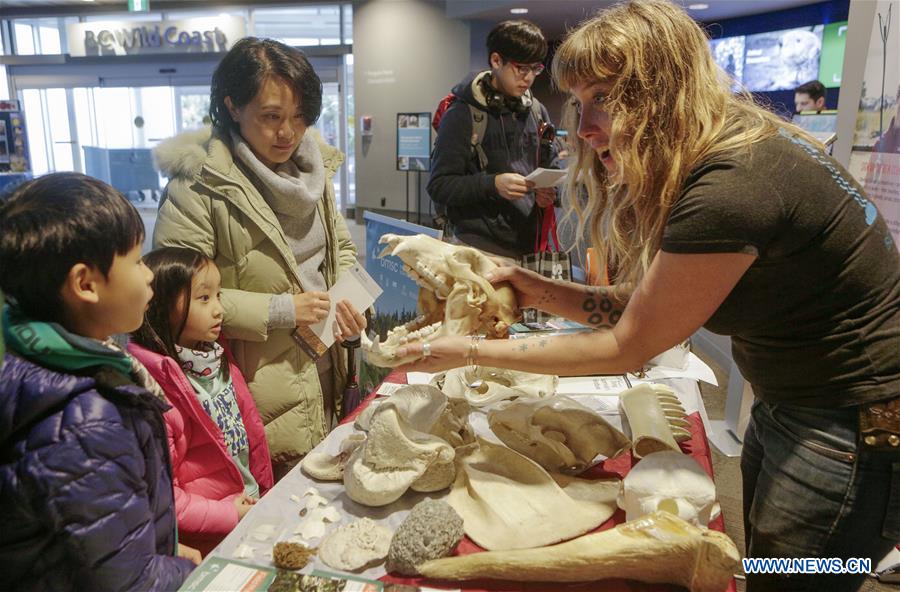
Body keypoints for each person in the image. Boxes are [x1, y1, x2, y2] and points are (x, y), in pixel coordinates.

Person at [401, 2, 900, 590]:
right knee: (766, 555)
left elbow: (627, 345)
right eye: (579, 105)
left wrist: (466, 352)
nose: (584, 128)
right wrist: (530, 286)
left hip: (853, 421)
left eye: (604, 99)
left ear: (664, 91)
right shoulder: (736, 148)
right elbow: (642, 304)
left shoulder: (733, 184)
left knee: (799, 574)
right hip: (800, 400)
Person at [153, 37, 366, 477]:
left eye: (300, 116)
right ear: (232, 106)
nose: (288, 132)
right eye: (271, 117)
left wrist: (349, 296)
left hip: (328, 362)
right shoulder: (199, 186)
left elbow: (342, 248)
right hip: (256, 383)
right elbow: (174, 295)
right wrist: (284, 309)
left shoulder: (315, 169)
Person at [0, 173, 198, 590]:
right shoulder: (85, 422)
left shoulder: (41, 360)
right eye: (138, 260)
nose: (148, 276)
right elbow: (130, 583)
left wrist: (162, 549)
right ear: (85, 285)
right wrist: (194, 574)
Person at [129, 247, 275, 555]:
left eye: (218, 296)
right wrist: (230, 514)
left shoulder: (217, 358)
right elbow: (165, 493)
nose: (219, 309)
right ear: (162, 304)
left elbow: (251, 439)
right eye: (204, 298)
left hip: (254, 510)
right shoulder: (157, 388)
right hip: (210, 540)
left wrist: (263, 492)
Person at [427, 19, 561, 257]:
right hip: (478, 250)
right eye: (521, 68)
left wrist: (549, 193)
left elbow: (550, 162)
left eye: (536, 69)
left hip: (530, 247)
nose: (529, 78)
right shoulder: (462, 114)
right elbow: (439, 185)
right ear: (496, 61)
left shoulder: (536, 110)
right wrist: (493, 184)